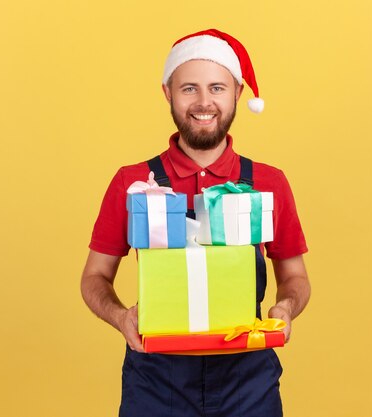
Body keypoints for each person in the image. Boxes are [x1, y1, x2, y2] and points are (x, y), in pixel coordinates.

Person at [81, 29, 311, 417]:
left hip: (248, 380)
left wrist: (285, 308)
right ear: (167, 93)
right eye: (189, 88)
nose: (204, 103)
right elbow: (93, 277)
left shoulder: (269, 183)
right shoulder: (133, 183)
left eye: (217, 88)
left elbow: (296, 276)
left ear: (237, 93)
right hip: (156, 382)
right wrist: (122, 317)